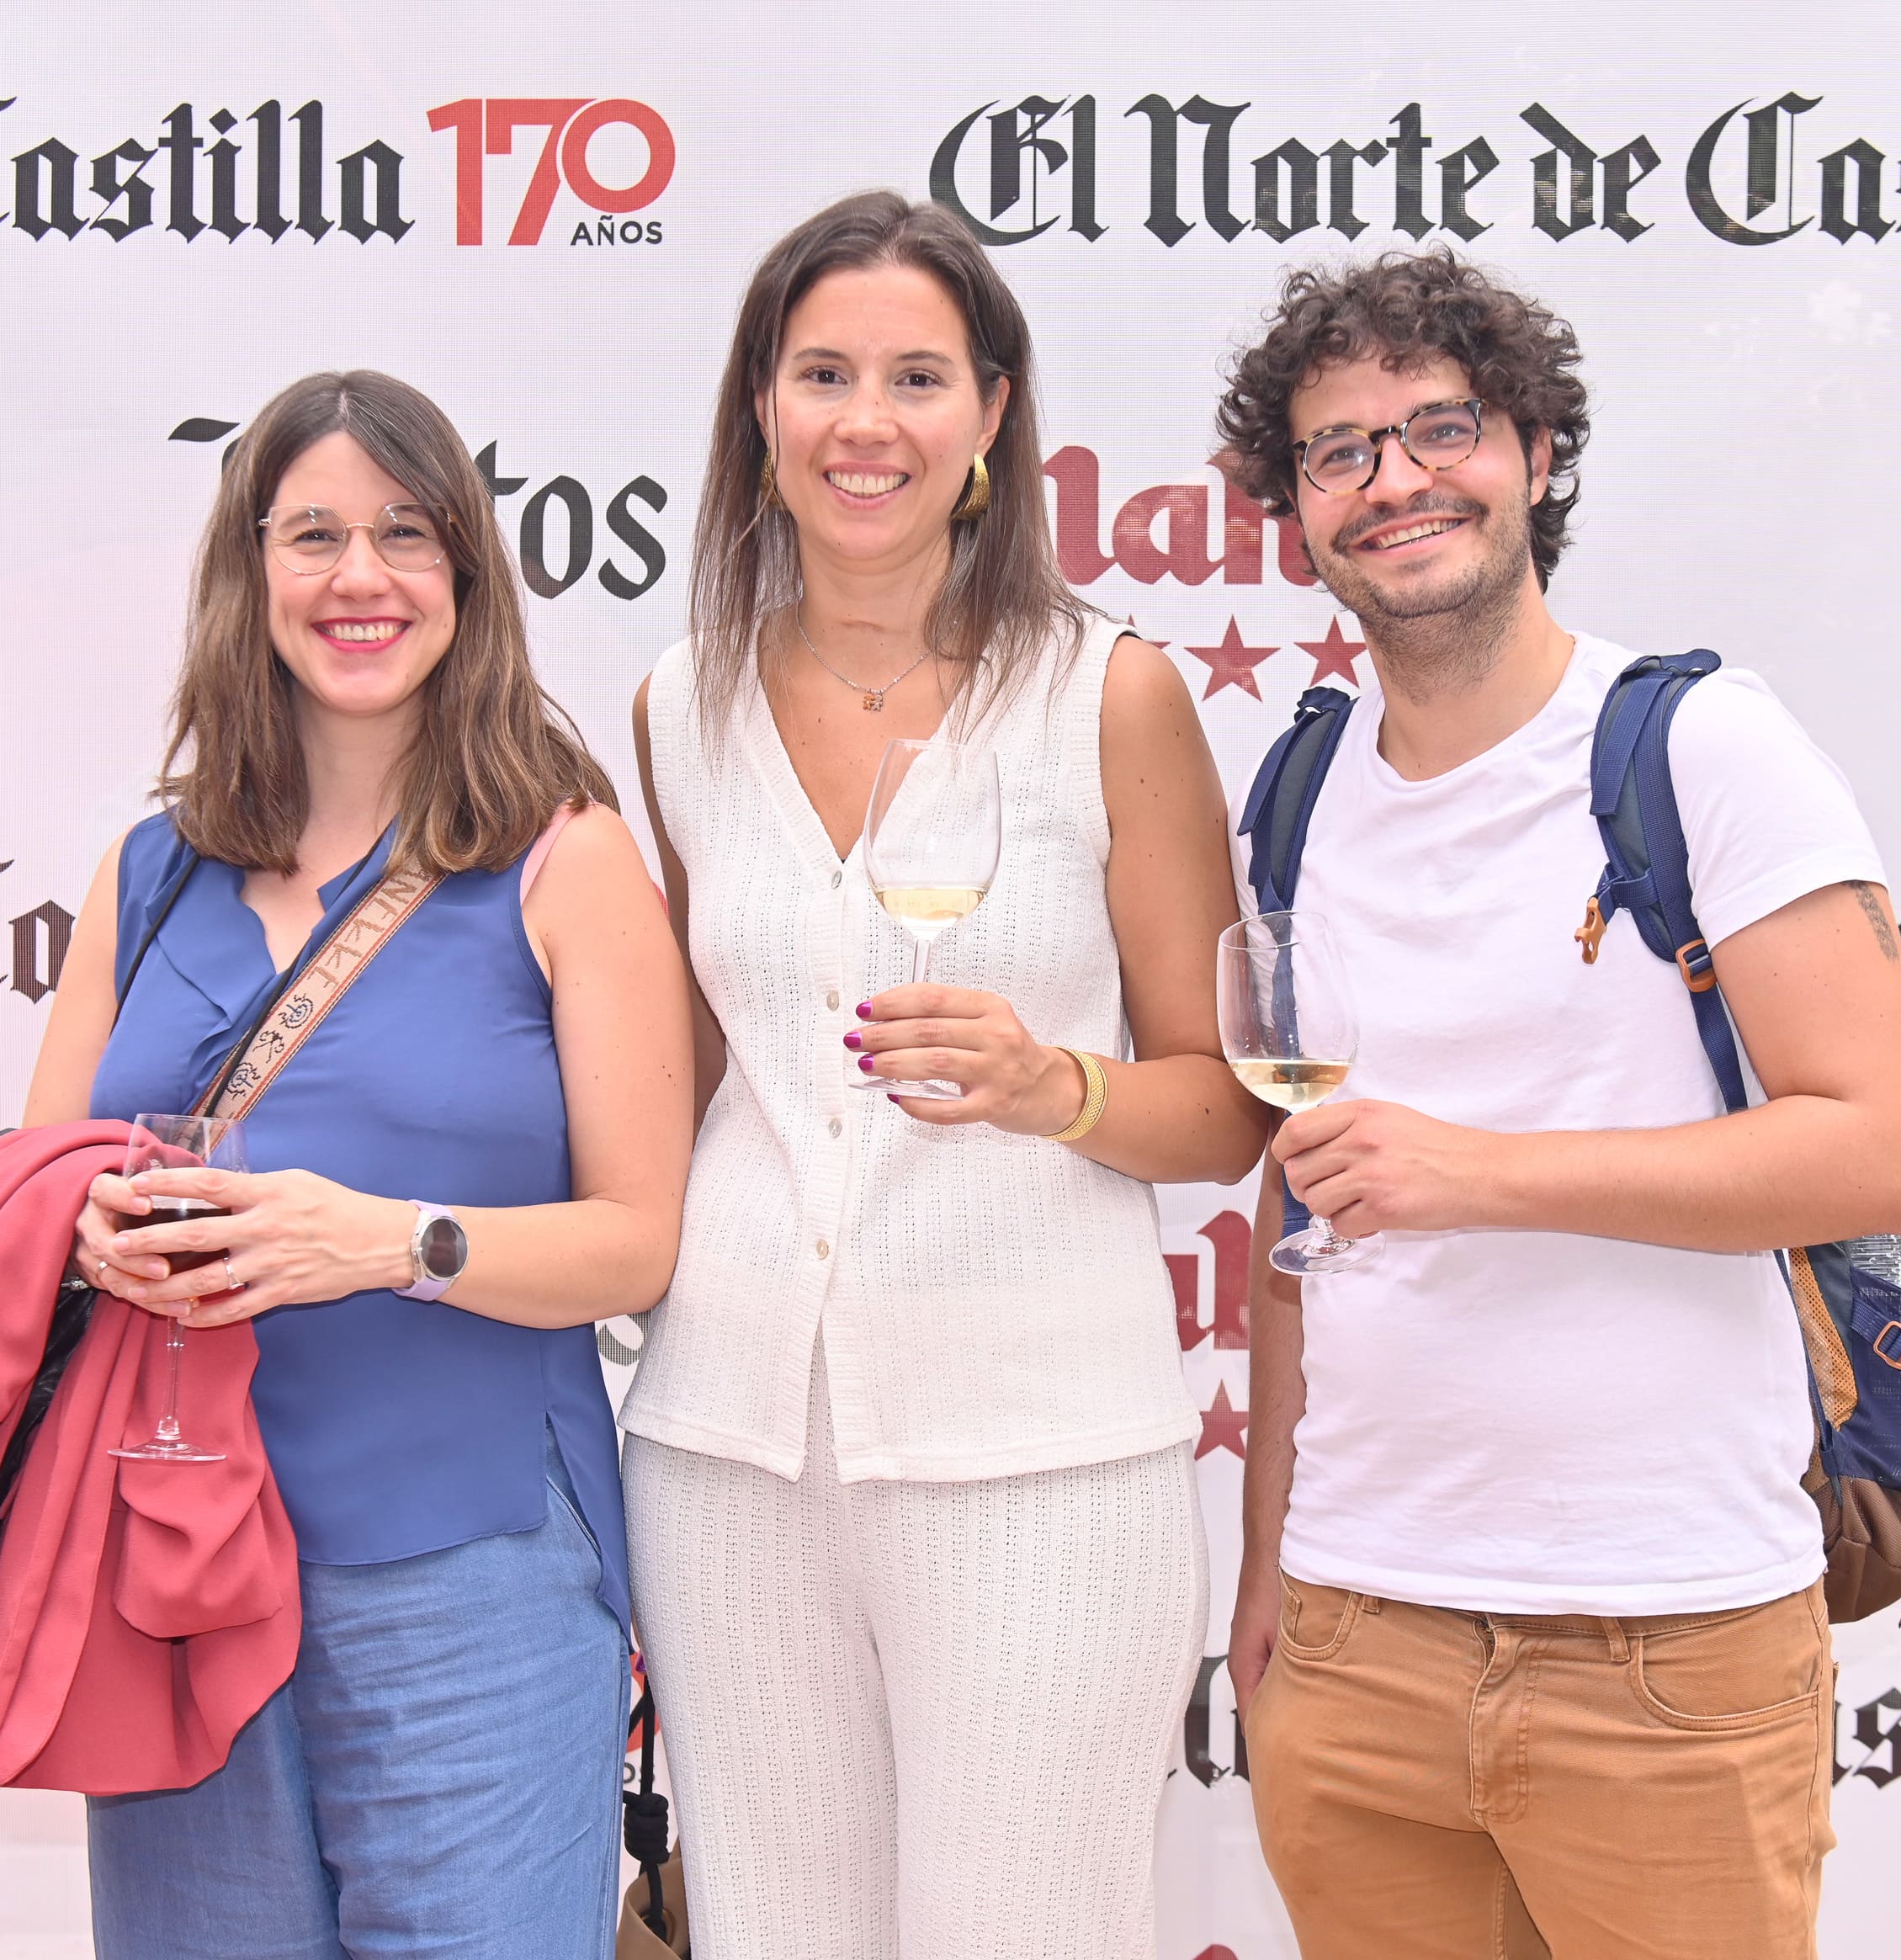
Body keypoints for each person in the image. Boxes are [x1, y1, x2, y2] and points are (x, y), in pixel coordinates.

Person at [1214, 253, 1901, 1960]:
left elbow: (1883, 1142)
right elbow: (1299, 1213)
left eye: (1438, 427)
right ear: (1296, 510)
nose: (1392, 478)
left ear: (1536, 453)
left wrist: (1481, 1172)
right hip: (1355, 1629)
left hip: (1666, 1637)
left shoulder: (1698, 747)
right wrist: (1270, 1580)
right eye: (1339, 450)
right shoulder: (1300, 787)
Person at [619, 190, 1266, 1958]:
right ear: (759, 410)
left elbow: (1223, 1103)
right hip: (728, 1447)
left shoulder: (1107, 696)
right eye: (821, 373)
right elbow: (676, 1082)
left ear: (991, 414)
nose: (865, 421)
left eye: (916, 375)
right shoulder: (682, 702)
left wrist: (1056, 1086)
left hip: (1037, 1453)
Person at [16, 369, 692, 1957]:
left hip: (474, 1582)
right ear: (250, 576)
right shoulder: (149, 870)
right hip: (178, 1566)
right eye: (311, 534)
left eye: (404, 531)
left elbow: (640, 1240)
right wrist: (87, 1226)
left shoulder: (565, 857)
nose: (359, 577)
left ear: (465, 569)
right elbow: (34, 1183)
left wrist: (397, 1241)